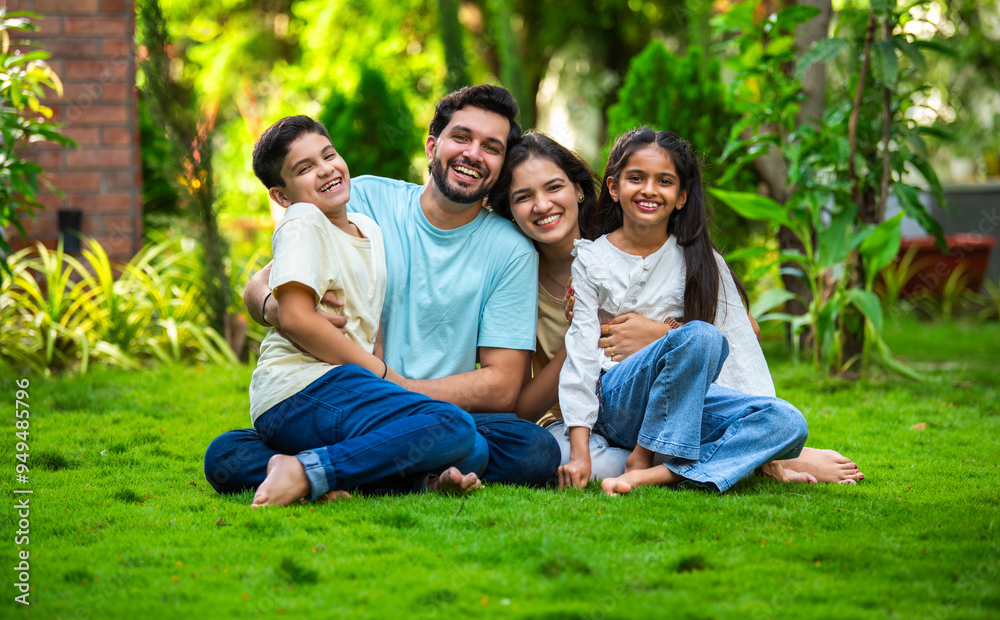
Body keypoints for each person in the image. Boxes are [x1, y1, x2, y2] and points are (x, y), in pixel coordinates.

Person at [203, 85, 561, 494]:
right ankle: (402, 471)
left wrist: (402, 389)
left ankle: (338, 470)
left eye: (491, 147)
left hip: (429, 408)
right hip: (347, 397)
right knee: (226, 454)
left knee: (533, 449)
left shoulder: (511, 249)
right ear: (431, 146)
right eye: (461, 137)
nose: (473, 154)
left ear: (499, 165)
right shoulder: (366, 201)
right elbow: (262, 283)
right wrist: (276, 310)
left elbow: (501, 387)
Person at [487, 131, 864, 487]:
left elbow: (736, 336)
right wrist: (585, 339)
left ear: (581, 191)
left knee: (784, 420)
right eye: (523, 197)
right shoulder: (526, 275)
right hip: (593, 412)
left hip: (672, 398)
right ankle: (726, 457)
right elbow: (532, 397)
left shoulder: (658, 245)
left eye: (554, 187)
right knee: (591, 460)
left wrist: (662, 335)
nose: (542, 205)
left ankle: (723, 459)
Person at [243, 115, 483, 506]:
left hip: (336, 393)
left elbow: (371, 319)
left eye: (328, 155)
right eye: (305, 169)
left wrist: (379, 378)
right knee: (453, 425)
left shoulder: (368, 229)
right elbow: (295, 318)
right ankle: (312, 473)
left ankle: (306, 471)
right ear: (281, 196)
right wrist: (386, 377)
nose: (326, 170)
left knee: (227, 452)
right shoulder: (303, 221)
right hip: (300, 390)